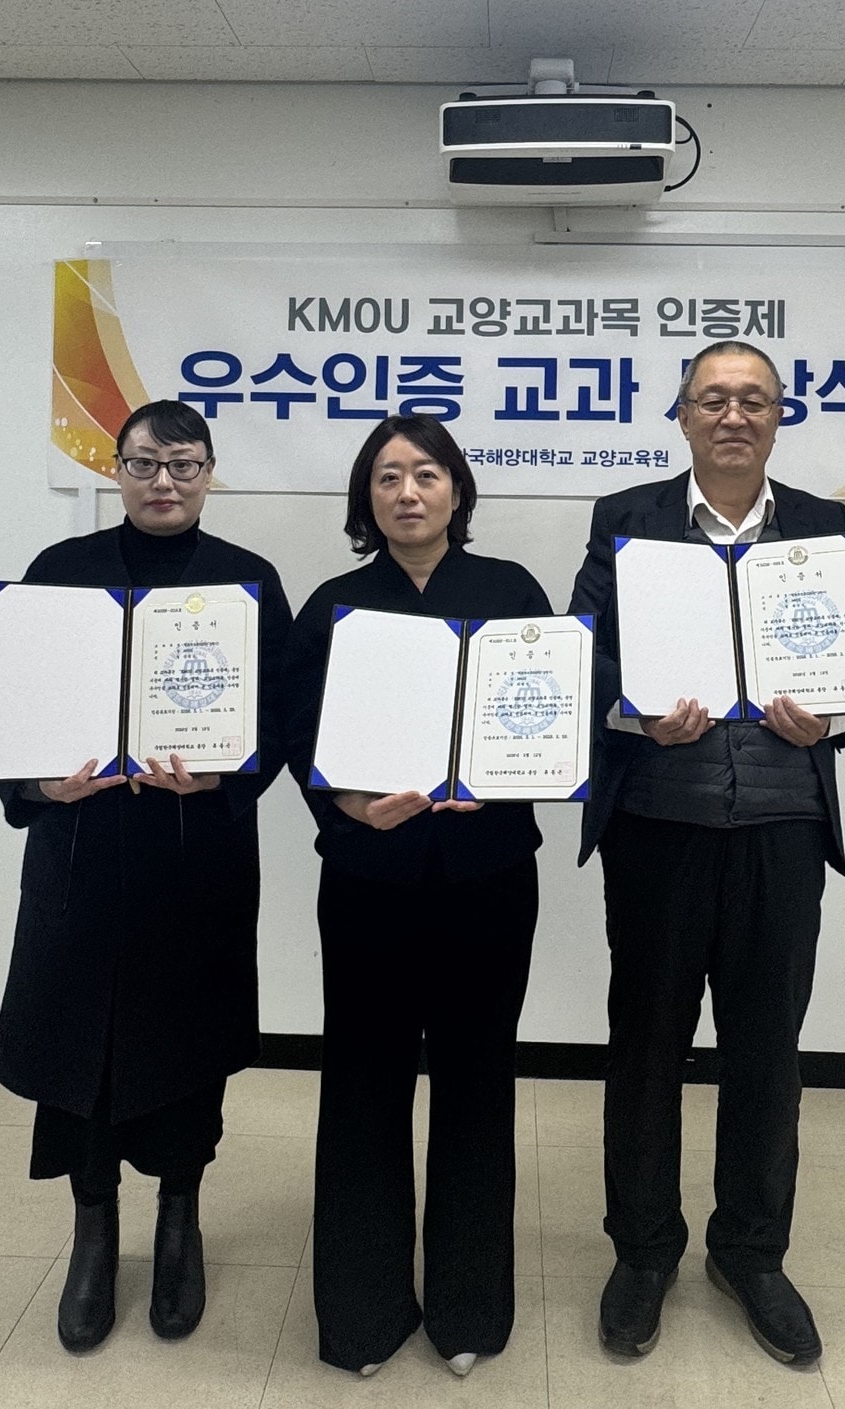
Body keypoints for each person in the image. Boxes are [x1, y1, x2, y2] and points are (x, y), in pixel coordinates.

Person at [567, 341, 845, 1367]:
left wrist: (826, 715)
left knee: (765, 1052)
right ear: (682, 414)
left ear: (778, 415)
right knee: (645, 1044)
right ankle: (643, 1251)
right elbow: (586, 649)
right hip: (659, 824)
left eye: (752, 398)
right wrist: (633, 708)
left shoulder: (824, 526)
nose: (732, 414)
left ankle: (749, 1251)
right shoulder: (625, 519)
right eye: (713, 398)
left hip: (781, 829)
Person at [0, 400, 292, 1352]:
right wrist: (37, 780)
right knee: (81, 1043)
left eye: (185, 465)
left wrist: (226, 771)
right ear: (114, 470)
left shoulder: (247, 580)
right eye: (145, 464)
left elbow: (282, 721)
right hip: (80, 853)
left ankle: (178, 1214)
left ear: (211, 473)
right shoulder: (59, 575)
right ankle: (93, 1224)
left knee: (183, 1038)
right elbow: (12, 708)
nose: (164, 482)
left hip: (191, 854)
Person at [283, 415, 551, 1378]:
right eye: (387, 477)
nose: (407, 492)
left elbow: (545, 713)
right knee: (363, 1085)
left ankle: (469, 1308)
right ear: (367, 499)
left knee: (479, 1083)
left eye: (425, 474)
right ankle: (361, 1314)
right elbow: (294, 737)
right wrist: (351, 801)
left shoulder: (512, 591)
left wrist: (515, 773)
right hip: (369, 876)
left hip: (486, 874)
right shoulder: (334, 605)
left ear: (457, 490)